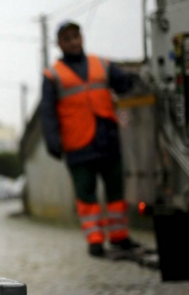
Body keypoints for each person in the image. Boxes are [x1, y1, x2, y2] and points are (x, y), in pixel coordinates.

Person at [40, 21, 139, 257]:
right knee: (87, 197)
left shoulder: (102, 64)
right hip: (78, 144)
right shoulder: (52, 75)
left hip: (108, 139)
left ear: (82, 38)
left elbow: (123, 83)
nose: (73, 41)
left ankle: (119, 236)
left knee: (116, 193)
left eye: (76, 36)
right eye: (67, 38)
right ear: (59, 44)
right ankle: (95, 240)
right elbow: (47, 112)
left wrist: (133, 80)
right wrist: (53, 142)